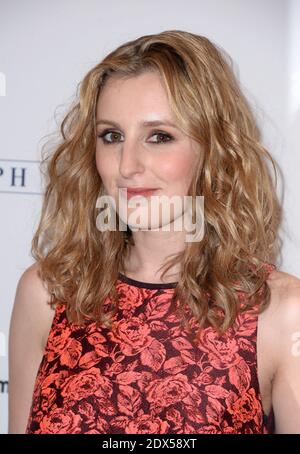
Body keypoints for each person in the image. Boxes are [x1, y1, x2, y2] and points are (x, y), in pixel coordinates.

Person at [8, 30, 300, 434]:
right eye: (111, 136)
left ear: (212, 150)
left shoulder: (279, 310)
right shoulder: (47, 293)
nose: (127, 164)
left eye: (159, 137)